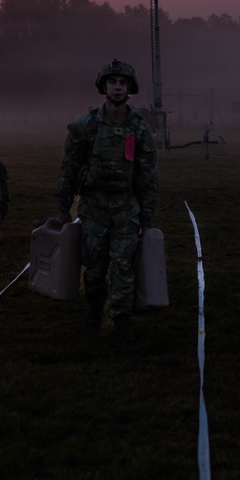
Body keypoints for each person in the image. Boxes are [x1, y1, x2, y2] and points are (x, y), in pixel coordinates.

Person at [55, 59, 158, 340]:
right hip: (93, 208)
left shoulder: (139, 130)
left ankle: (121, 318)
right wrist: (63, 208)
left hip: (126, 208)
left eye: (122, 83)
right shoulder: (86, 126)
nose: (117, 87)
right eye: (112, 82)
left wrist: (146, 219)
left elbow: (147, 177)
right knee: (94, 266)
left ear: (129, 89)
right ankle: (93, 310)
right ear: (104, 86)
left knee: (123, 263)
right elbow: (69, 168)